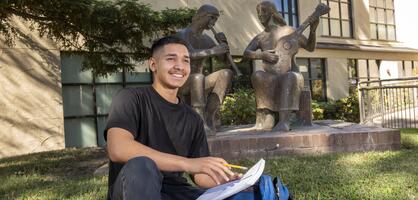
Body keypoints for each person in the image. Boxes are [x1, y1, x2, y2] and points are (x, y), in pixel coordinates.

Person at [104, 36, 240, 200]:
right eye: (171, 59)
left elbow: (199, 176)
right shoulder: (131, 98)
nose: (179, 67)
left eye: (186, 61)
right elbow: (118, 149)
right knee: (142, 164)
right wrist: (186, 163)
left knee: (242, 194)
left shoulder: (192, 118)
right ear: (153, 64)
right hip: (132, 190)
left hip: (177, 193)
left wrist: (224, 178)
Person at [244, 1, 319, 131]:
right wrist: (262, 55)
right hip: (270, 76)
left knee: (290, 77)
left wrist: (313, 30)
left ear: (273, 13)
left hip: (290, 74)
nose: (260, 15)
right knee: (257, 75)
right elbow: (246, 53)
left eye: (264, 11)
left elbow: (310, 47)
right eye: (258, 13)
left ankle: (285, 120)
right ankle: (267, 116)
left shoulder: (289, 31)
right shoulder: (260, 37)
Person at [176, 4, 233, 134]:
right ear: (200, 16)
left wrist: (223, 45)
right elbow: (188, 54)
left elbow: (223, 61)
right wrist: (213, 50)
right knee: (197, 77)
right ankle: (199, 121)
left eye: (216, 20)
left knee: (226, 73)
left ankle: (210, 116)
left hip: (198, 81)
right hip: (181, 82)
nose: (213, 22)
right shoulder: (182, 34)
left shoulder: (207, 39)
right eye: (211, 18)